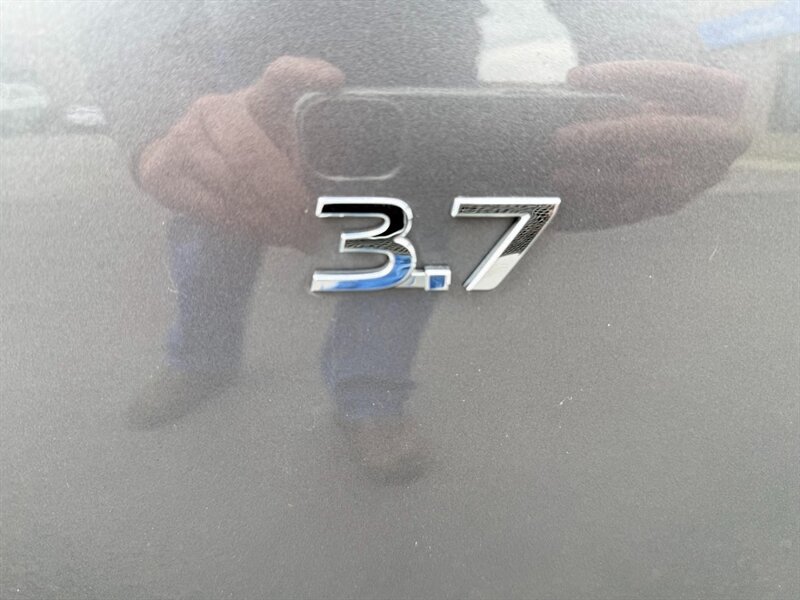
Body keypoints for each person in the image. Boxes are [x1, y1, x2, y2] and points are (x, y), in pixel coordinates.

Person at [83, 0, 749, 482]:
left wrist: (657, 66)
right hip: (243, 75)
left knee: (403, 253)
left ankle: (369, 397)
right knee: (212, 227)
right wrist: (156, 107)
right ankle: (200, 357)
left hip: (421, 80)